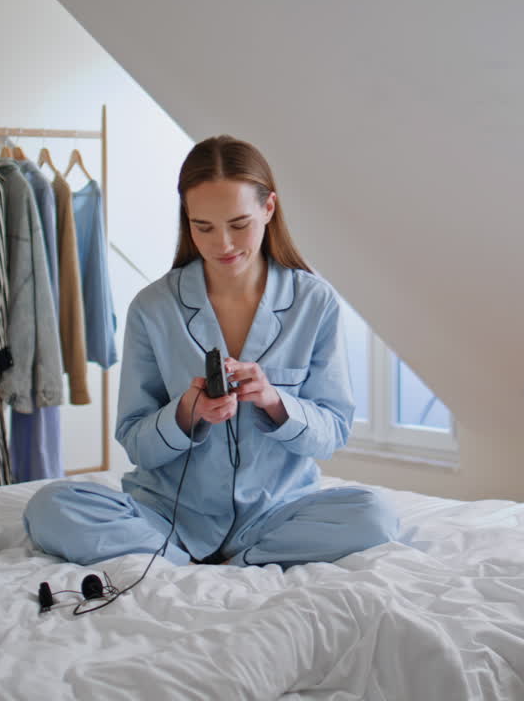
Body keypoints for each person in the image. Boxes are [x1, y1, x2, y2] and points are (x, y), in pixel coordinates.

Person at [23, 135, 398, 567]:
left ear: (268, 208)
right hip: (167, 513)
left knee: (375, 515)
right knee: (51, 507)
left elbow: (332, 432)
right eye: (203, 227)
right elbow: (135, 442)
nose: (223, 244)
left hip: (276, 513)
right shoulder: (153, 307)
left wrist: (274, 402)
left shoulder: (314, 302)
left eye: (239, 224)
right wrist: (186, 413)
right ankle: (189, 561)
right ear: (187, 220)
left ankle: (228, 563)